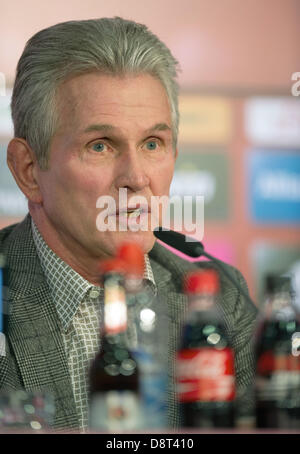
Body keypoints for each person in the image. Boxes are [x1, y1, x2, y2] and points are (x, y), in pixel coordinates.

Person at [0, 17, 257, 431]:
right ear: (29, 170)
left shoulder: (220, 302)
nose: (137, 179)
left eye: (153, 144)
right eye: (100, 145)